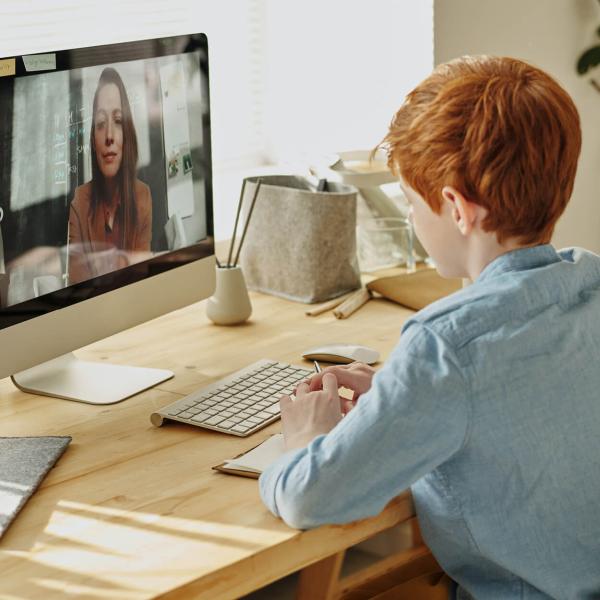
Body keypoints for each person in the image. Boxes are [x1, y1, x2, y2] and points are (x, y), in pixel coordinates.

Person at [259, 56, 600, 598]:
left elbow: (307, 498)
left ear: (456, 209)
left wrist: (306, 439)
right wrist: (401, 398)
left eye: (412, 203)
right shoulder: (588, 283)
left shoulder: (446, 347)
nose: (413, 220)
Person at [68, 67, 152, 284]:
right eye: (100, 124)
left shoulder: (142, 196)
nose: (109, 137)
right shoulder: (80, 203)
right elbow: (77, 288)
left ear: (128, 134)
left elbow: (143, 279)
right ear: (93, 142)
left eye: (117, 121)